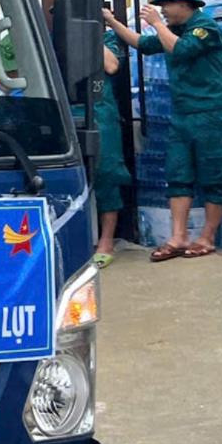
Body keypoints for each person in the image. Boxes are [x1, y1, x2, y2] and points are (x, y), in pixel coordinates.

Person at [102, 0, 222, 261]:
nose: (163, 11)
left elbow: (181, 50)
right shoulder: (173, 30)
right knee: (178, 175)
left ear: (184, 4)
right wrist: (111, 22)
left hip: (209, 114)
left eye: (166, 5)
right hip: (181, 114)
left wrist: (157, 24)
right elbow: (142, 44)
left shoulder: (205, 28)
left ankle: (207, 238)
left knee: (213, 176)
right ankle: (178, 236)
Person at [88, 28, 132, 268]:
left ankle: (106, 240)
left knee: (106, 173)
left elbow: (112, 66)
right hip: (69, 110)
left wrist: (89, 33)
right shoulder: (54, 38)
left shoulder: (106, 38)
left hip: (100, 112)